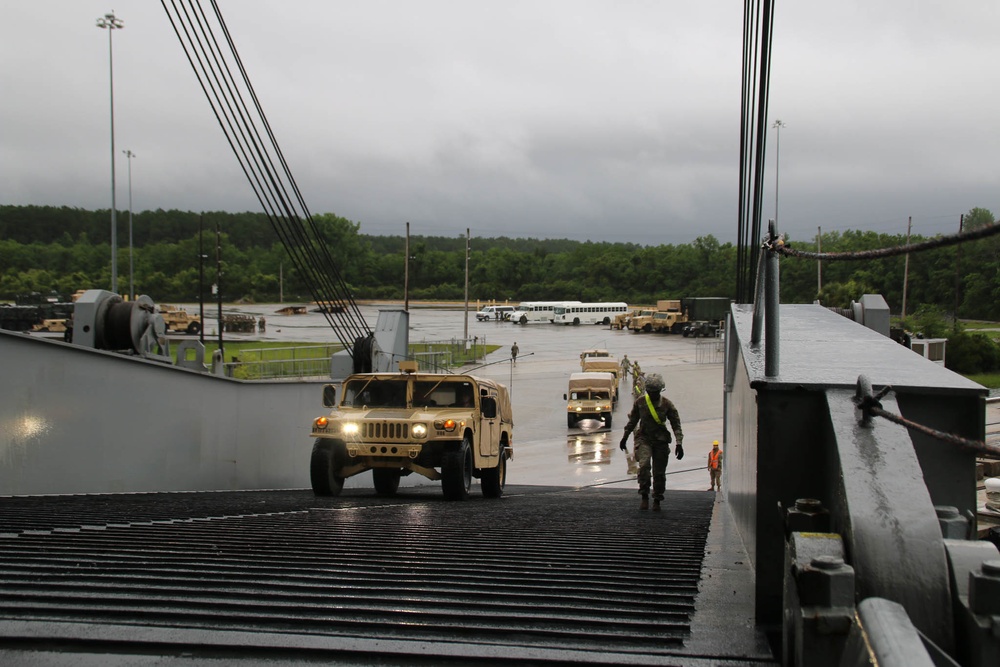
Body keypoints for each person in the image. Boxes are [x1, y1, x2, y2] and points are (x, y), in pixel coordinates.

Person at [619, 373, 683, 511]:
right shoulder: (640, 403)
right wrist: (625, 437)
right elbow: (632, 421)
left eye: (655, 392)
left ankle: (657, 499)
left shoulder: (667, 404)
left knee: (659, 472)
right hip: (644, 439)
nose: (653, 395)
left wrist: (679, 443)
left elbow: (676, 424)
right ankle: (644, 496)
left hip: (660, 441)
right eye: (650, 392)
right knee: (644, 466)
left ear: (660, 391)